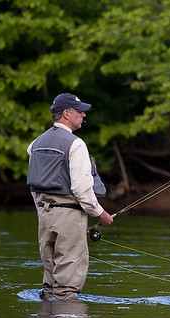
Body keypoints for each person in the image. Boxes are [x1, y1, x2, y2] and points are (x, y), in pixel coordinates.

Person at [27, 93, 114, 301]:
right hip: (70, 217)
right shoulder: (76, 145)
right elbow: (82, 189)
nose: (84, 115)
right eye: (80, 111)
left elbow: (33, 185)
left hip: (44, 216)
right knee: (66, 287)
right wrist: (100, 213)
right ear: (67, 113)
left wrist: (42, 209)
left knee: (50, 285)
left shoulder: (35, 144)